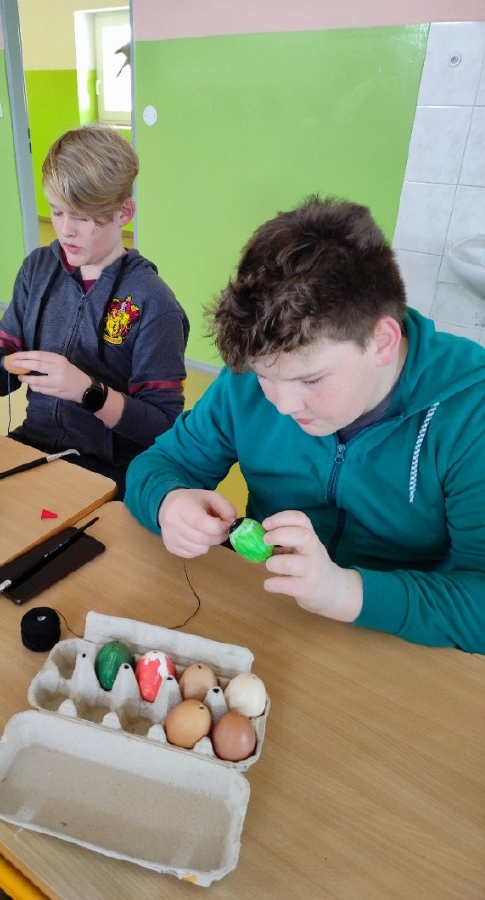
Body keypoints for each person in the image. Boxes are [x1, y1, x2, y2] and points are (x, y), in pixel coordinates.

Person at [125, 195, 485, 654]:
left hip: (404, 641)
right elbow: (157, 465)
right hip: (270, 615)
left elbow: (478, 603)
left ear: (382, 341)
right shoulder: (250, 377)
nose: (282, 405)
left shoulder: (470, 412)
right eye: (265, 376)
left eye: (310, 379)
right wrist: (168, 502)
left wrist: (344, 591)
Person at [0, 124, 189, 496]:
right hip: (35, 447)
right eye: (56, 212)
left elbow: (163, 427)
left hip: (110, 473)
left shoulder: (153, 302)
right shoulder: (38, 269)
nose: (66, 230)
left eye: (82, 217)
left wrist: (88, 392)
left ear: (124, 211)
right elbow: (3, 380)